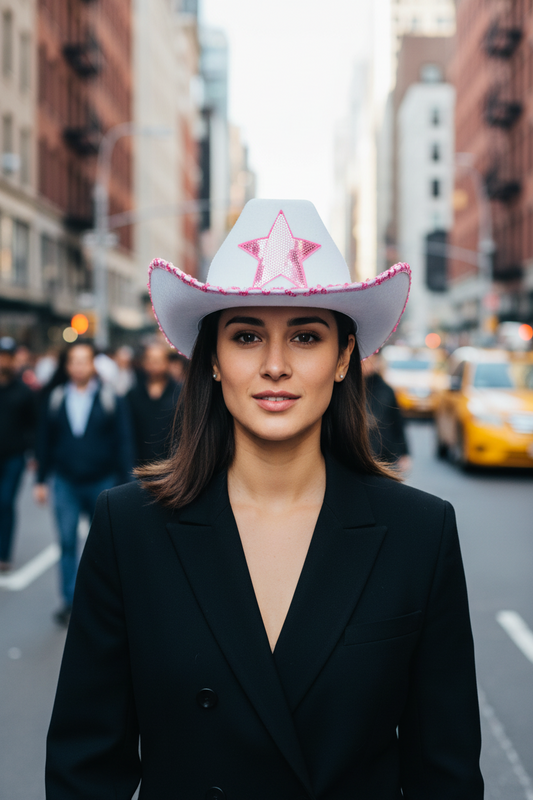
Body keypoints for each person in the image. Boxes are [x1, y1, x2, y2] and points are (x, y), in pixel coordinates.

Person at [46, 200, 483, 798]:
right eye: (247, 335)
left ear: (343, 358)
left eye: (306, 335)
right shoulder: (130, 528)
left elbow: (446, 775)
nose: (275, 365)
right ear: (215, 361)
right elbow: (84, 770)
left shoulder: (420, 533)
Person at [35, 341, 134, 626]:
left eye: (85, 360)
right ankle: (69, 601)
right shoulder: (55, 398)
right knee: (66, 542)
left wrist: (125, 482)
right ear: (67, 366)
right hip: (65, 481)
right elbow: (45, 440)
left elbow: (123, 441)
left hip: (102, 481)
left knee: (100, 544)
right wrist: (41, 479)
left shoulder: (109, 398)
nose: (79, 366)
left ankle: (99, 601)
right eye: (74, 361)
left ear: (93, 364)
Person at [0, 337, 37, 572]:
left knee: (5, 502)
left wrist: (34, 454)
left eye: (7, 356)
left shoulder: (24, 391)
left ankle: (3, 554)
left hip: (14, 456)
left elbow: (33, 425)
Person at [126, 342, 180, 465]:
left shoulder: (181, 393)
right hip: (140, 464)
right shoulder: (133, 395)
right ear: (144, 362)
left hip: (172, 464)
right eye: (150, 360)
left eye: (158, 360)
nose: (154, 364)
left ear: (167, 363)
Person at [362, 353, 411, 473]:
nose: (367, 365)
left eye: (371, 360)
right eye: (365, 360)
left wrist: (405, 453)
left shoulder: (385, 389)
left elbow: (397, 422)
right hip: (361, 455)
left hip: (385, 456)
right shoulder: (347, 389)